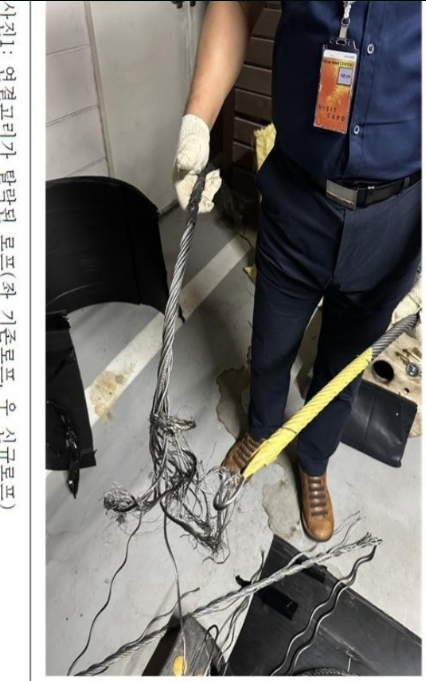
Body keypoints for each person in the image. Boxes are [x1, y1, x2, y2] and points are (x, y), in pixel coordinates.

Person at [173, 1, 421, 541]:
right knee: (270, 345)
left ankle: (313, 461)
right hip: (297, 198)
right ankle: (262, 429)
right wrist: (197, 123)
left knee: (344, 365)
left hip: (396, 215)